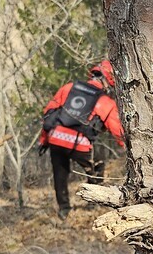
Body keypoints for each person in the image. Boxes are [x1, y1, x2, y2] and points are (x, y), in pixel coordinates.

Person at [38, 60, 125, 218]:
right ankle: (94, 204)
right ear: (110, 80)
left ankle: (64, 210)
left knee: (60, 173)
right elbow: (117, 131)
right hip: (79, 144)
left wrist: (43, 140)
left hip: (55, 138)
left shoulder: (69, 87)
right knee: (97, 166)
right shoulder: (106, 102)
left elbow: (49, 113)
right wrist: (127, 147)